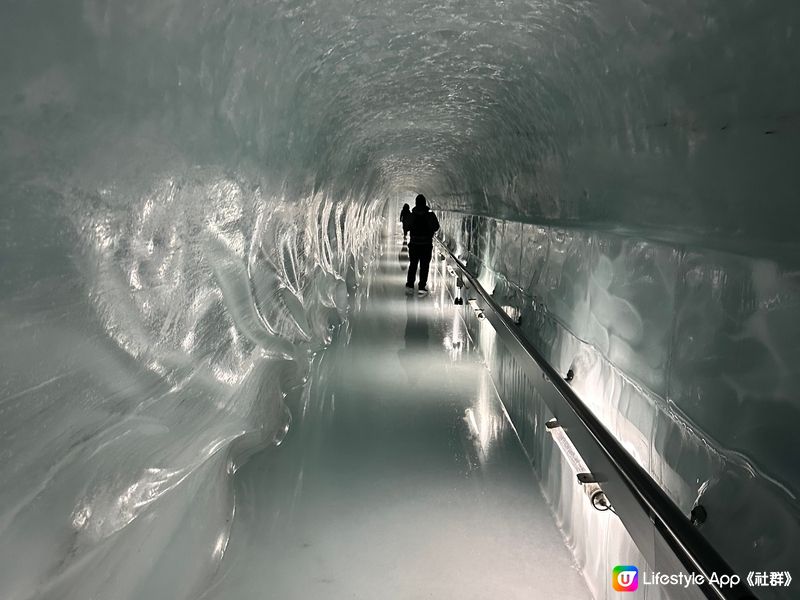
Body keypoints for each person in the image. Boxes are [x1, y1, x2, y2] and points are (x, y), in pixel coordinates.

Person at [405, 194, 440, 296]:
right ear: (425, 203)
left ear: (416, 203)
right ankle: (421, 287)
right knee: (424, 266)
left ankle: (410, 286)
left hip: (414, 244)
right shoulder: (430, 215)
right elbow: (436, 227)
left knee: (413, 265)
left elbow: (406, 226)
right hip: (426, 244)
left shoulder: (412, 215)